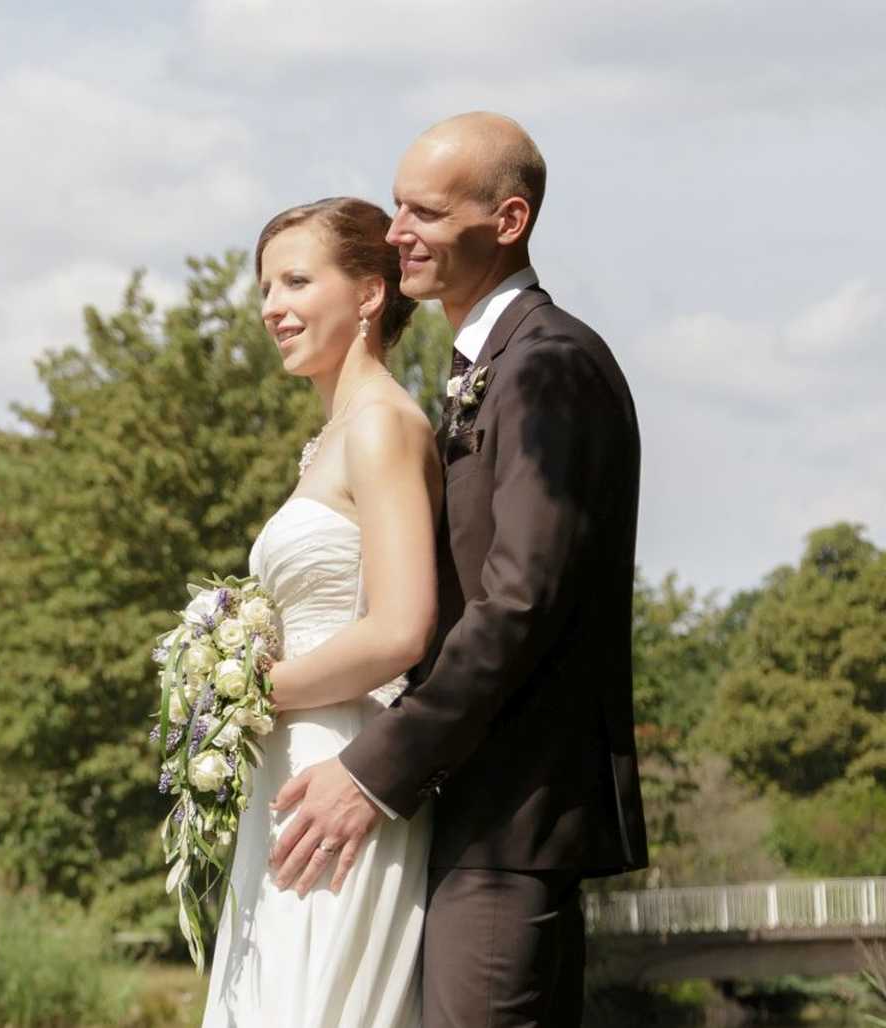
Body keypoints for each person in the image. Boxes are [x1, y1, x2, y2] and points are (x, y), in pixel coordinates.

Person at [268, 112, 648, 1026]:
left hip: (510, 821)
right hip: (457, 811)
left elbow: (520, 601)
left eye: (425, 212)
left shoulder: (550, 367)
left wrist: (371, 770)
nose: (396, 232)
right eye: (398, 206)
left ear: (507, 221)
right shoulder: (480, 371)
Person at [199, 195, 438, 1026]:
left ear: (371, 292)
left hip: (342, 776)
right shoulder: (331, 437)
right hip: (290, 775)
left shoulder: (382, 427)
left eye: (297, 281)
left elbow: (402, 628)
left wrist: (246, 699)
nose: (273, 308)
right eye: (265, 288)